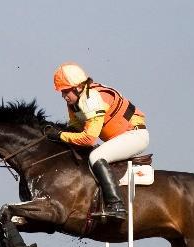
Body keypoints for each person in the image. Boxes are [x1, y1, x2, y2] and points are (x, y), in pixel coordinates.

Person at [46, 62, 149, 220]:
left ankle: (117, 206)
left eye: (66, 91)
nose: (63, 96)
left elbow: (88, 138)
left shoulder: (91, 98)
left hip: (135, 136)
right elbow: (75, 129)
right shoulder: (74, 103)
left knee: (96, 156)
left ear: (78, 87)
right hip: (120, 138)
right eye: (61, 92)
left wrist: (59, 135)